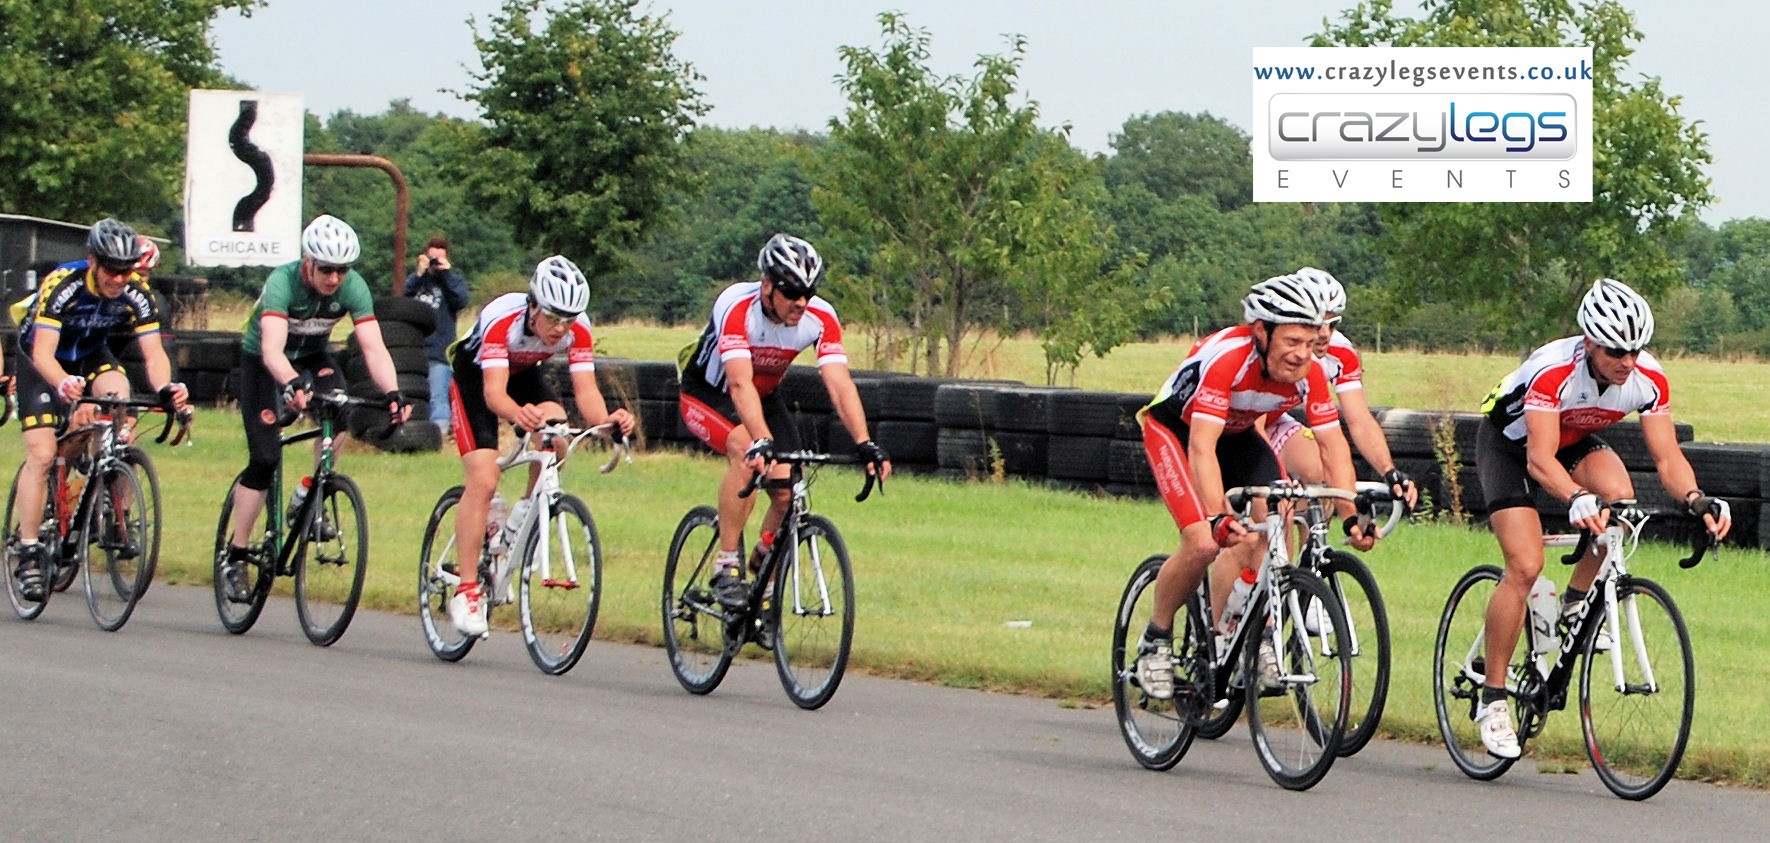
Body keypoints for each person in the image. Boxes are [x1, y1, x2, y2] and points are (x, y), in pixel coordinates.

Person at [1468, 278, 1730, 759]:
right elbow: (1539, 459)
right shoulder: (1553, 371)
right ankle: (1494, 699)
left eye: (1635, 351)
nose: (1627, 362)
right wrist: (1575, 496)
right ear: (1589, 342)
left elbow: (1667, 457)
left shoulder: (1649, 379)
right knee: (1525, 566)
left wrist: (1697, 499)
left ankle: (1574, 604)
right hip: (1512, 447)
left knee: (1621, 500)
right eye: (1615, 352)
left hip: (1571, 440)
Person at [1132, 274, 1378, 701]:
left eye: (1309, 342)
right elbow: (1202, 448)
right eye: (1292, 341)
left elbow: (1332, 444)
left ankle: (1257, 636)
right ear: (1261, 333)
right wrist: (1217, 516)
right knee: (1203, 544)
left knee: (1279, 515)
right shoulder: (1229, 358)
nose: (1301, 353)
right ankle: (1155, 639)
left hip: (1238, 436)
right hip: (1177, 433)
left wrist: (1350, 513)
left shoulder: (1310, 372)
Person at [678, 233, 891, 610]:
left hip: (764, 397)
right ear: (767, 286)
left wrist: (865, 442)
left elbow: (839, 385)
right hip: (710, 393)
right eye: (792, 292)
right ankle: (726, 566)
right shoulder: (736, 305)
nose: (801, 302)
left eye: (808, 292)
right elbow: (739, 384)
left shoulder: (820, 317)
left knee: (787, 487)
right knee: (748, 450)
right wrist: (762, 439)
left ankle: (762, 577)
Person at [218, 214, 410, 602]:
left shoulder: (354, 287)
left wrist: (394, 392)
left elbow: (373, 348)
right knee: (265, 457)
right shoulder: (283, 283)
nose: (335, 278)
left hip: (313, 356)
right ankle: (235, 555)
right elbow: (272, 351)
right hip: (264, 362)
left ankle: (307, 494)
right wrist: (291, 384)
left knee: (339, 410)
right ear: (308, 262)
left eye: (342, 270)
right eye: (326, 269)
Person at [445, 255, 634, 636]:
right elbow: (494, 394)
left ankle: (518, 519)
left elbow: (586, 392)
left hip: (524, 374)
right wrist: (519, 414)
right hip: (477, 378)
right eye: (552, 317)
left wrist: (608, 422)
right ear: (532, 305)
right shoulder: (502, 318)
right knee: (484, 479)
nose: (560, 328)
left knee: (557, 438)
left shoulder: (578, 329)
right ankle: (466, 592)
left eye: (568, 319)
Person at [9, 218, 189, 600]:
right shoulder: (64, 284)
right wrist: (63, 383)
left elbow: (153, 353)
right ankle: (28, 551)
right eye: (112, 270)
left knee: (118, 394)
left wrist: (166, 387)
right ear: (93, 261)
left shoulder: (135, 290)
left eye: (126, 270)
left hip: (90, 352)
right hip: (42, 360)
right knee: (42, 454)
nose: (120, 279)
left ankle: (104, 467)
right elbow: (43, 353)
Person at [1263, 267, 1419, 509]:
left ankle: (1315, 536)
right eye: (1317, 324)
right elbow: (1253, 423)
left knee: (1324, 473)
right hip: (1232, 425)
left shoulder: (1341, 353)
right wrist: (1277, 476)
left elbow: (1360, 421)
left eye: (1333, 323)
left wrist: (1389, 471)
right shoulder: (1273, 349)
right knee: (1273, 505)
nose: (1325, 334)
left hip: (1274, 421)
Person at [404, 235, 469, 437]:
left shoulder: (453, 282)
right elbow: (402, 299)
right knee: (411, 394)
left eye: (439, 259)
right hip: (414, 349)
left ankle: (438, 436)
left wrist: (446, 274)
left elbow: (461, 301)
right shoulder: (417, 281)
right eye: (432, 258)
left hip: (439, 351)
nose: (435, 263)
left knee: (437, 396)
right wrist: (419, 273)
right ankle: (411, 434)